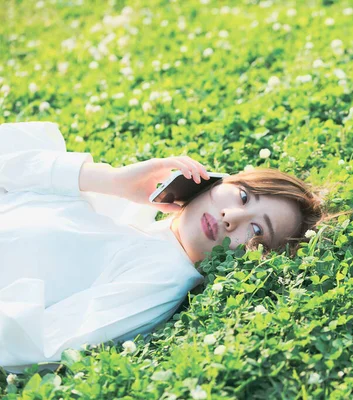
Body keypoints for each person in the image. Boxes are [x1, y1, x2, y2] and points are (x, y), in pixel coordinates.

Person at [0, 121, 329, 374]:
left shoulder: (161, 279)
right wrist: (110, 180)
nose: (232, 217)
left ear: (258, 258)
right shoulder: (137, 215)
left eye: (256, 230)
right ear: (222, 180)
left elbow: (41, 340)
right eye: (242, 196)